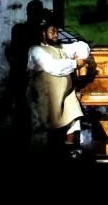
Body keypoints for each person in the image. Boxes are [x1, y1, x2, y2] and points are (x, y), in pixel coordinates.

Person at [27, 19, 93, 155]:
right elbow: (54, 67)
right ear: (43, 33)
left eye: (56, 31)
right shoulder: (36, 50)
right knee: (45, 123)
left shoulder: (62, 47)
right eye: (52, 32)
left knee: (73, 114)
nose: (56, 34)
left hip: (65, 93)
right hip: (45, 95)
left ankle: (69, 149)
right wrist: (75, 63)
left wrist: (81, 57)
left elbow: (82, 46)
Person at [7, 0, 46, 147]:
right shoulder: (26, 30)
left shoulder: (20, 29)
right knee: (23, 112)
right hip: (24, 75)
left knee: (23, 112)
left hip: (25, 75)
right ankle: (24, 143)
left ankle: (23, 143)